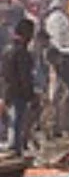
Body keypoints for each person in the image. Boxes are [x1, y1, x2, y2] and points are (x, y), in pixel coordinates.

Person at [1, 18, 36, 154]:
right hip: (19, 93)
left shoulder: (7, 49)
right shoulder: (22, 52)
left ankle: (13, 147)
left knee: (12, 121)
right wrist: (30, 95)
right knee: (17, 122)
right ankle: (15, 149)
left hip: (8, 90)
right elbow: (24, 77)